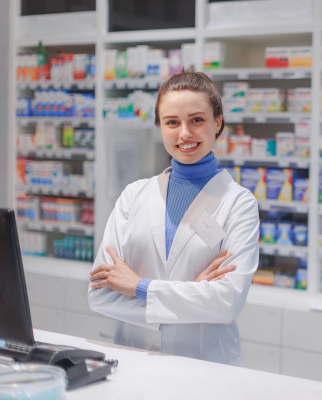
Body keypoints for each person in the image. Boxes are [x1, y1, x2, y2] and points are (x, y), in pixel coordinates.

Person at [88, 72, 259, 366]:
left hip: (205, 368)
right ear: (160, 126)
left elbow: (227, 302)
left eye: (197, 120)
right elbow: (100, 294)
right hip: (135, 361)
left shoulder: (238, 203)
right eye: (172, 122)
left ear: (217, 123)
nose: (184, 134)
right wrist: (195, 295)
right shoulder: (133, 196)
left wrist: (139, 287)